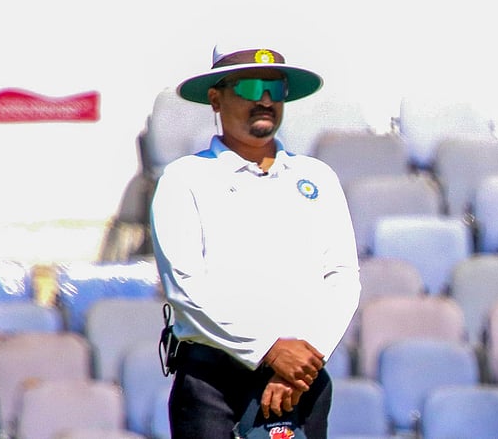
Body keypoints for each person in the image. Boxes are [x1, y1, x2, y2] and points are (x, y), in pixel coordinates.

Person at [150, 44, 361, 439]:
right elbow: (185, 287)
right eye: (248, 87)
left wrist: (300, 365)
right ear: (216, 98)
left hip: (301, 380)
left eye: (275, 89)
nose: (264, 101)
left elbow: (343, 277)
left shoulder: (317, 177)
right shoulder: (185, 179)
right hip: (215, 384)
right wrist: (268, 349)